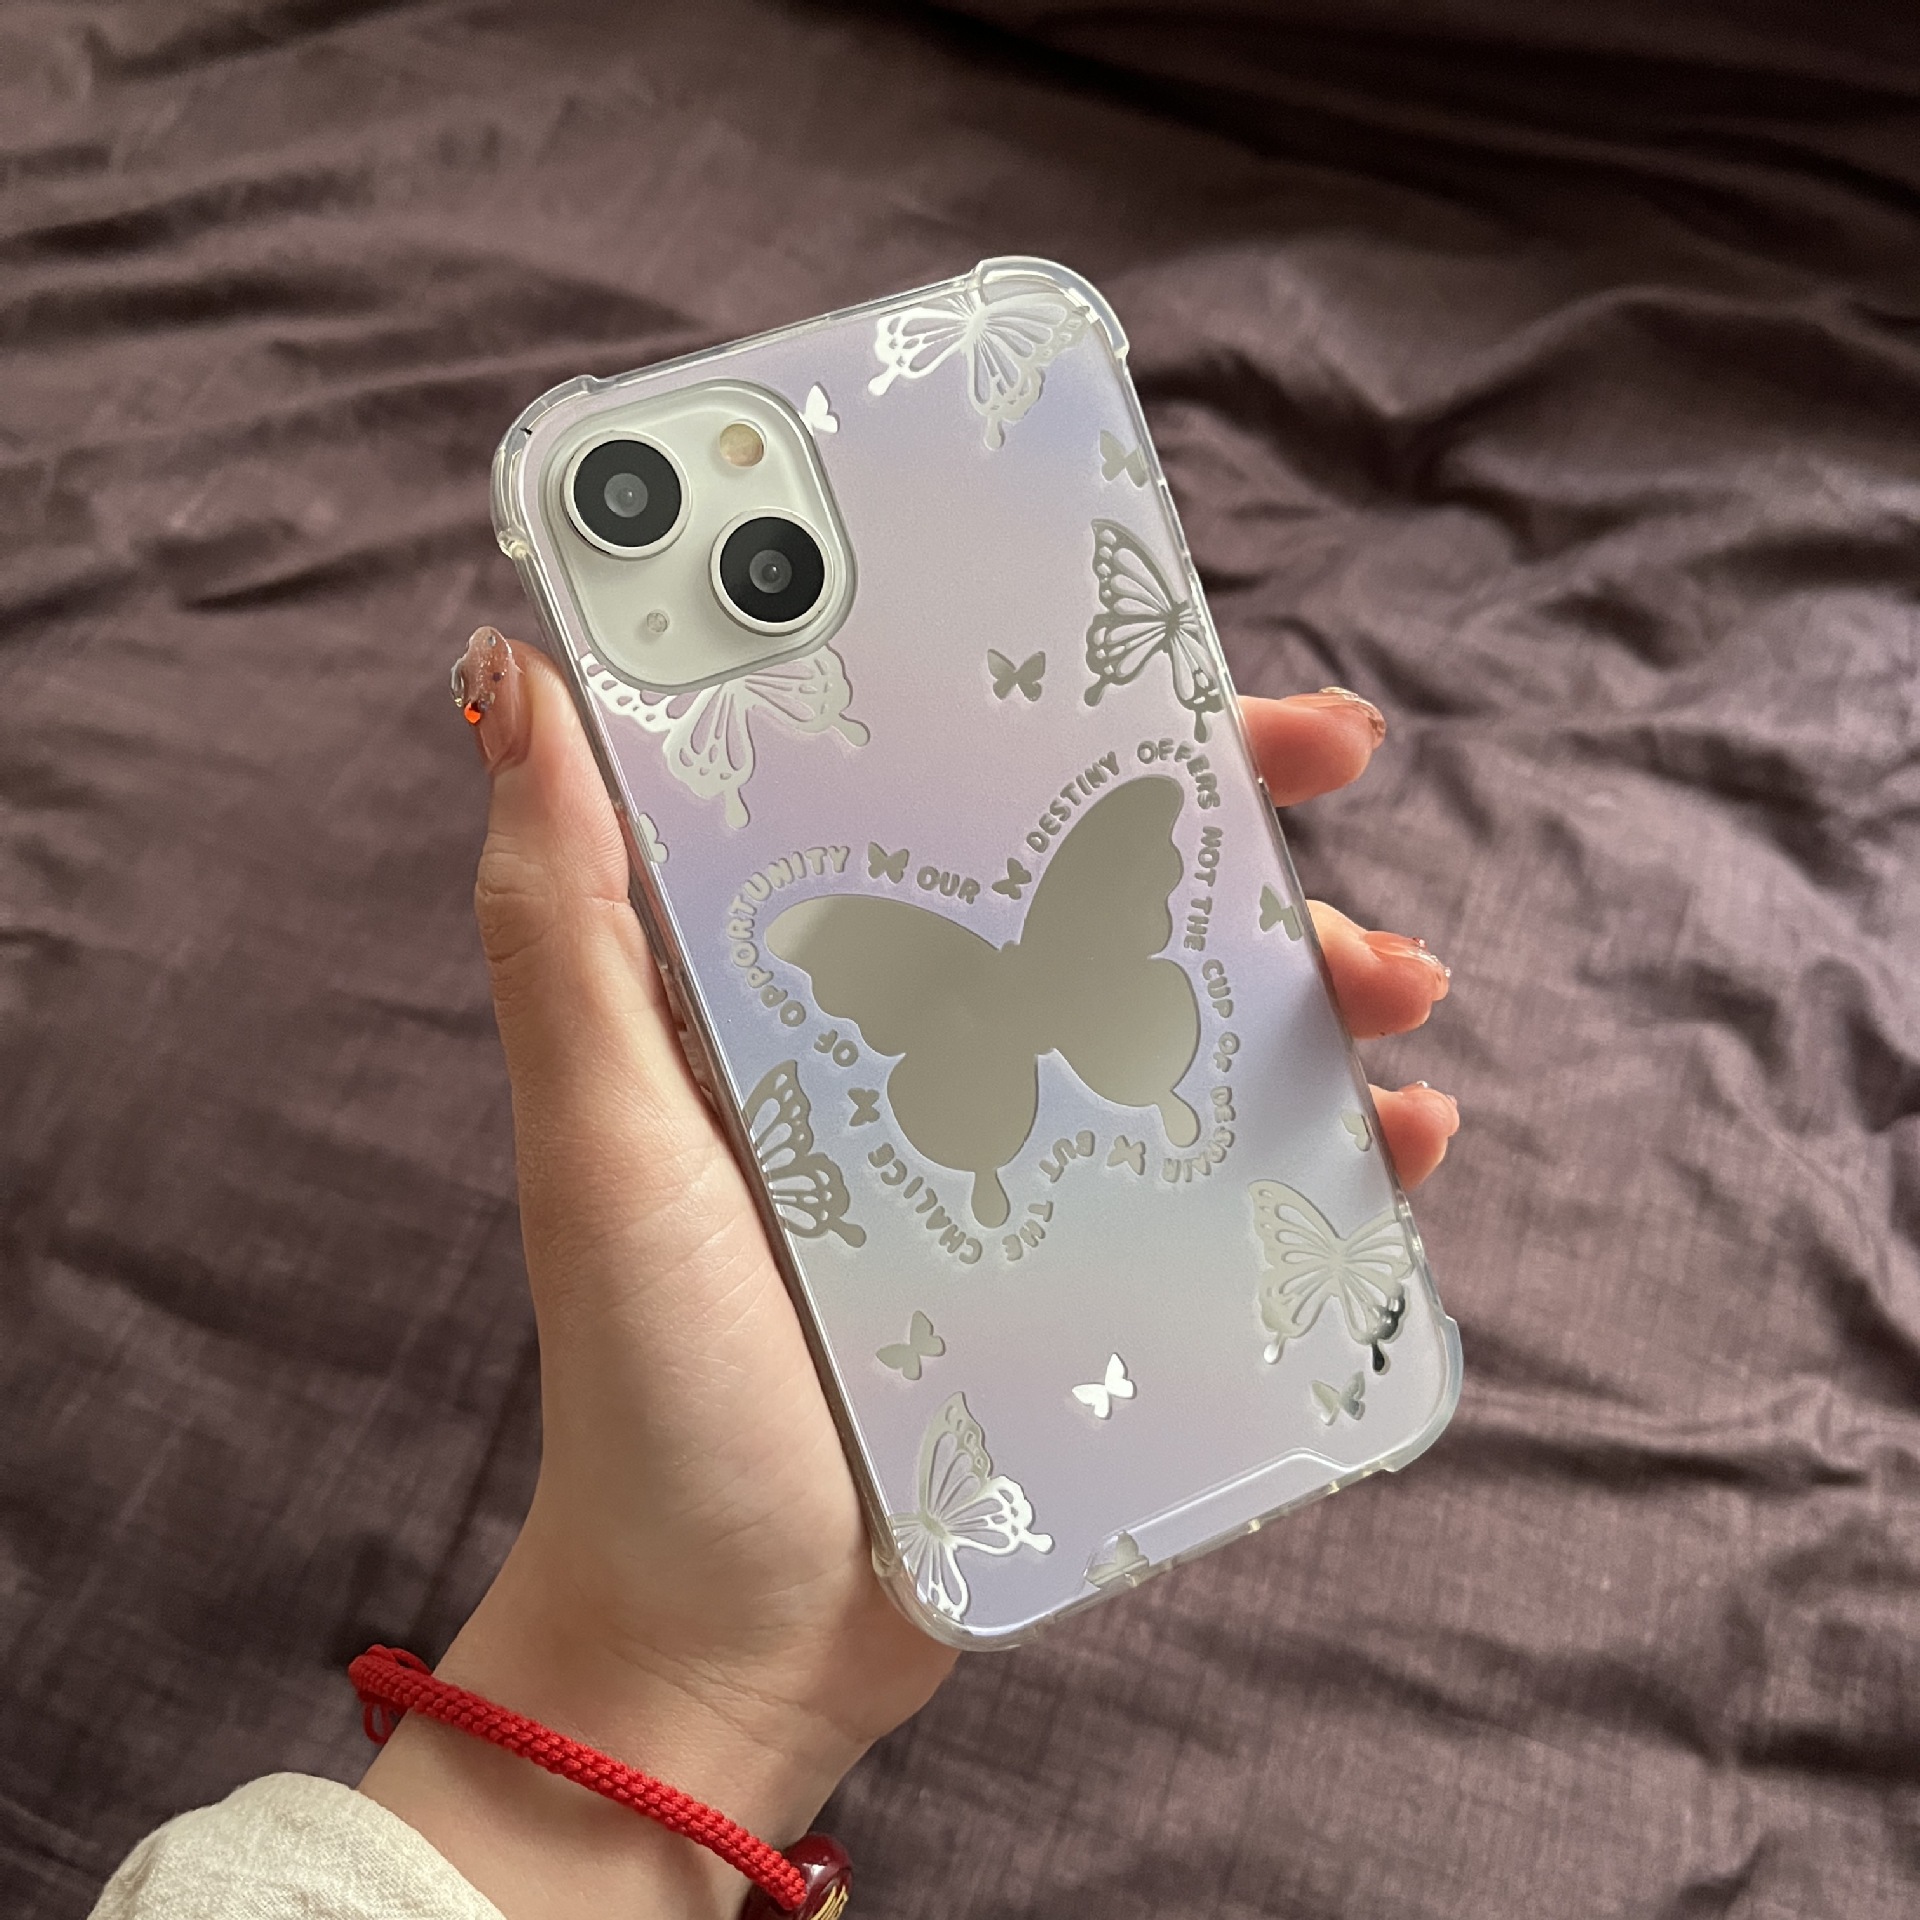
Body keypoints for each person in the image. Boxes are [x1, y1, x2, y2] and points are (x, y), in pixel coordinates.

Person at [91, 629, 1459, 1920]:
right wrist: (683, 1661)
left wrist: (673, 1668)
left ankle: (1079, 1138)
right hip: (1073, 1026)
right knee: (1175, 1038)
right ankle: (1126, 1121)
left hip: (988, 1061)